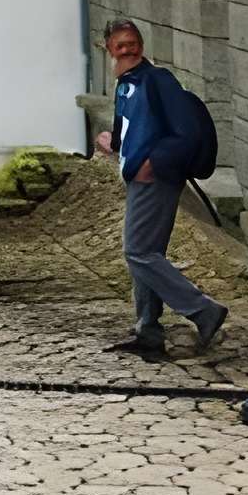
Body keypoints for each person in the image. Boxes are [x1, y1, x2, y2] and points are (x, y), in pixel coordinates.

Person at [93, 20, 228, 358]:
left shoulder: (158, 80)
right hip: (139, 175)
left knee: (138, 252)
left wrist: (153, 165)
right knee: (146, 253)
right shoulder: (126, 86)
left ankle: (203, 310)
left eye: (132, 42)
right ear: (108, 49)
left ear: (141, 45)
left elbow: (185, 133)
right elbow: (136, 129)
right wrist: (115, 144)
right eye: (120, 44)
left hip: (155, 179)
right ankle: (148, 330)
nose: (127, 49)